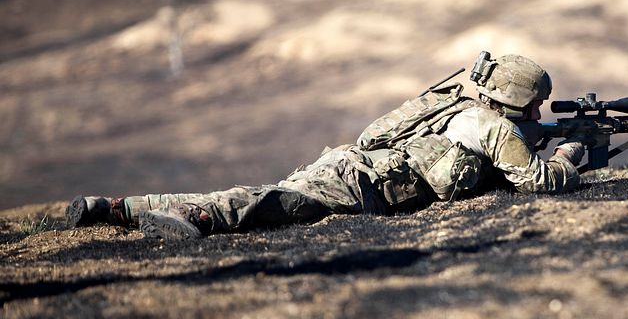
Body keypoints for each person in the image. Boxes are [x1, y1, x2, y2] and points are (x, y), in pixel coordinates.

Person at [66, 52, 586, 240]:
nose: (540, 115)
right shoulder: (491, 126)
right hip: (362, 184)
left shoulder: (455, 103)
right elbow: (536, 182)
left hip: (351, 164)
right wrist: (566, 158)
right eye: (536, 105)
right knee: (272, 203)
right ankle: (196, 220)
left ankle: (115, 208)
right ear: (516, 100)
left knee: (262, 191)